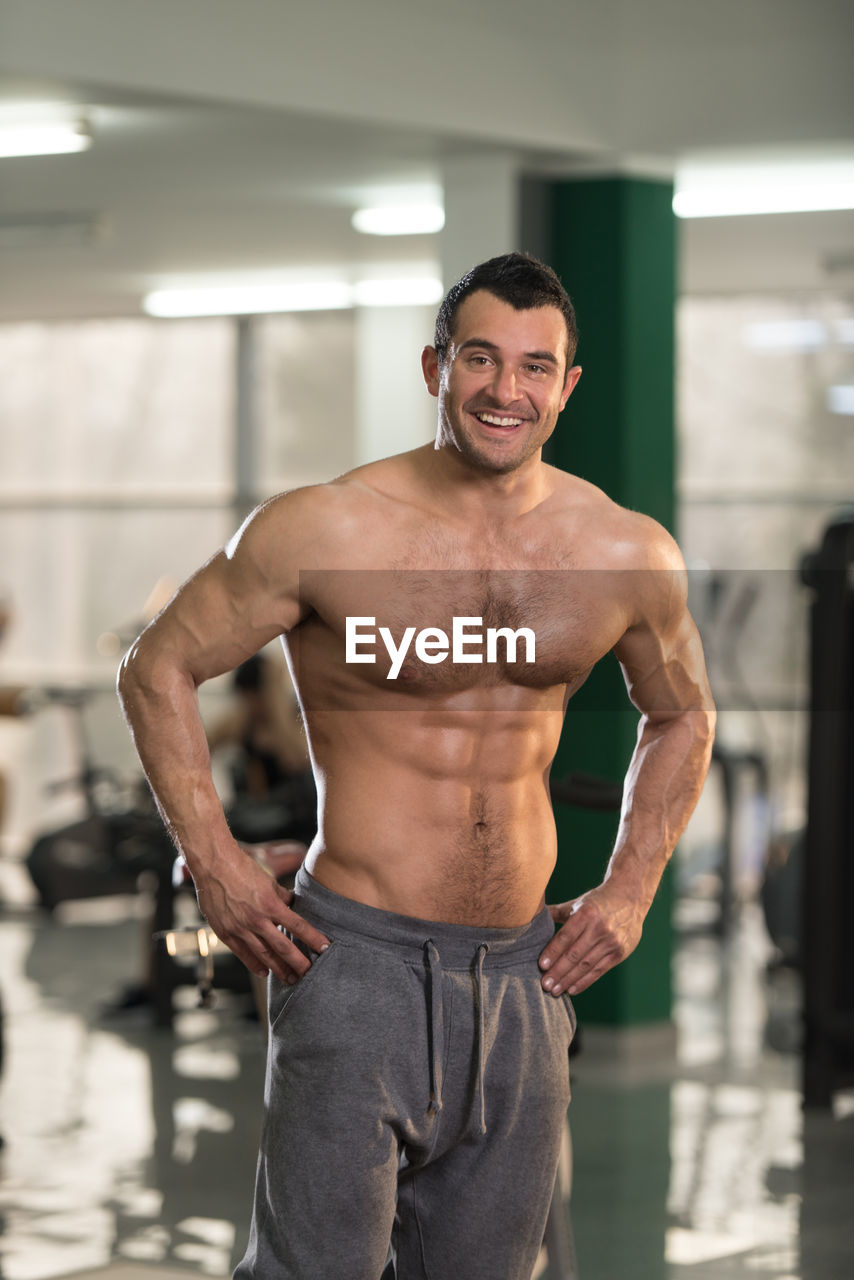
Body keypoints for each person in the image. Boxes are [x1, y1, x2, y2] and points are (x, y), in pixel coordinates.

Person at [117, 252, 715, 1280]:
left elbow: (682, 713)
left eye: (534, 366)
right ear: (435, 366)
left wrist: (629, 887)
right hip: (353, 961)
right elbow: (157, 665)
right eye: (479, 358)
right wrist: (212, 860)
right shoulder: (324, 525)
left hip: (522, 976)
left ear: (566, 387)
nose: (504, 389)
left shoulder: (622, 552)